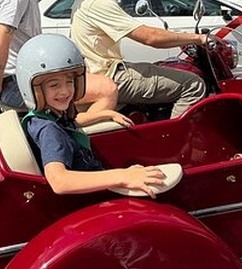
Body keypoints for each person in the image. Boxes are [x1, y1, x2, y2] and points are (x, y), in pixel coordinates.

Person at [70, 0, 210, 118]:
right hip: (109, 76)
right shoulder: (98, 2)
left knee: (164, 68)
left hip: (105, 71)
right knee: (193, 84)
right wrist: (199, 38)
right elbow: (149, 37)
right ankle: (175, 142)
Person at [17, 33, 164, 197]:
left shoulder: (45, 116)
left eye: (69, 82)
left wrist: (106, 114)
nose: (65, 91)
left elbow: (74, 122)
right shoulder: (49, 131)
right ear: (36, 91)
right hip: (92, 196)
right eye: (54, 85)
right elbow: (59, 181)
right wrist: (123, 176)